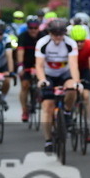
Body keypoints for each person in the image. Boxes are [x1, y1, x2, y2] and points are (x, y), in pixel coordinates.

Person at [35, 18, 80, 154]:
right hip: (48, 75)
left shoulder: (70, 43)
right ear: (50, 33)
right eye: (55, 34)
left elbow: (73, 64)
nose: (58, 37)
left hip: (64, 73)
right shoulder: (43, 43)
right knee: (48, 107)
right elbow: (39, 65)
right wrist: (42, 80)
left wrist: (77, 81)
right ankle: (48, 139)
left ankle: (67, 111)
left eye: (61, 34)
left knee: (72, 88)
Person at [69, 23, 90, 143]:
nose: (79, 44)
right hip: (70, 69)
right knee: (72, 93)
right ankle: (68, 114)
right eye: (76, 41)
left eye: (81, 41)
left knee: (86, 96)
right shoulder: (68, 46)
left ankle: (86, 125)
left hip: (85, 70)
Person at [15, 15, 45, 122]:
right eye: (30, 28)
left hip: (39, 63)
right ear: (27, 28)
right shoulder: (23, 36)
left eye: (35, 28)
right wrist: (20, 65)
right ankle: (24, 110)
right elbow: (20, 51)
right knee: (24, 86)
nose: (33, 30)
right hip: (26, 63)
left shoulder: (43, 36)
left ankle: (38, 96)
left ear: (39, 27)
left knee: (43, 83)